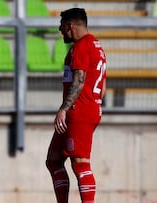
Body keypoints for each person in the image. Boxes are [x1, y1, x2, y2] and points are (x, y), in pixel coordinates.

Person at [45, 8, 107, 203]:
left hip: (78, 112)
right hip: (86, 109)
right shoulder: (96, 45)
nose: (60, 29)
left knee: (80, 164)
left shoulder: (82, 46)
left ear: (70, 25)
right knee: (54, 161)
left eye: (62, 25)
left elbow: (79, 81)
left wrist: (64, 109)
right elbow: (103, 86)